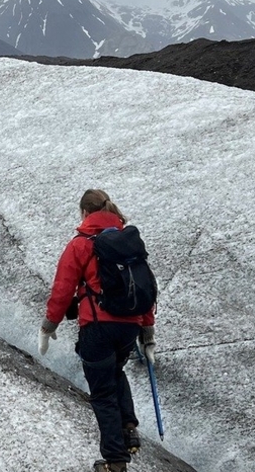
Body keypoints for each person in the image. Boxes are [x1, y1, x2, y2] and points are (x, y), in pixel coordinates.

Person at [39, 190, 157, 472]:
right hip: (128, 327)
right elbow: (143, 286)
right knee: (115, 373)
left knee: (102, 393)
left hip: (97, 327)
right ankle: (129, 428)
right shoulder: (129, 243)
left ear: (84, 213)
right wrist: (147, 333)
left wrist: (48, 326)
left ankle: (115, 463)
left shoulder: (80, 245)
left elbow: (63, 288)